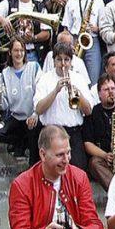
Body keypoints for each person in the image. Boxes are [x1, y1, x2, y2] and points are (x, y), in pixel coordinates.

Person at [34, 42, 93, 171]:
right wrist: (55, 91)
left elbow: (88, 111)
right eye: (59, 59)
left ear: (71, 61)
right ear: (54, 61)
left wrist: (78, 94)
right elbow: (38, 109)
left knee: (77, 175)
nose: (63, 63)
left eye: (66, 59)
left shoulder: (78, 79)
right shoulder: (45, 79)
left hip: (73, 134)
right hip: (51, 134)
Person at [0, 40, 42, 163]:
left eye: (21, 50)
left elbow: (40, 94)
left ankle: (25, 147)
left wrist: (35, 114)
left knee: (35, 132)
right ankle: (20, 142)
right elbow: (4, 106)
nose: (19, 54)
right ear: (10, 52)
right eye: (16, 50)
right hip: (16, 117)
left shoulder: (34, 67)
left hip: (32, 116)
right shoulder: (4, 73)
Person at [82, 75, 115, 188]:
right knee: (94, 163)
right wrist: (105, 155)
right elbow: (87, 144)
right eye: (106, 89)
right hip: (105, 159)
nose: (111, 92)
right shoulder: (93, 113)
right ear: (99, 94)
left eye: (112, 88)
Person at [63, 0, 105, 84]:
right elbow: (66, 27)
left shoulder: (98, 0)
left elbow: (104, 26)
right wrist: (71, 42)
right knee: (74, 77)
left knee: (93, 79)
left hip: (92, 40)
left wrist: (95, 28)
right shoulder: (71, 1)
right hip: (75, 41)